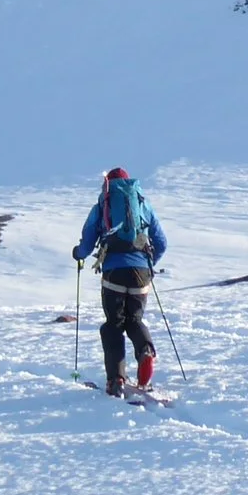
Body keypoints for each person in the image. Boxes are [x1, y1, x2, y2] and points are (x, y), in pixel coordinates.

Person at [72, 168, 166, 395]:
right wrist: (148, 262)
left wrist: (78, 254)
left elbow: (87, 243)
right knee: (134, 320)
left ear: (108, 186)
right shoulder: (143, 204)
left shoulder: (102, 206)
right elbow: (161, 242)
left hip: (113, 271)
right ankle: (145, 351)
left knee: (113, 324)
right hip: (141, 271)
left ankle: (116, 380)